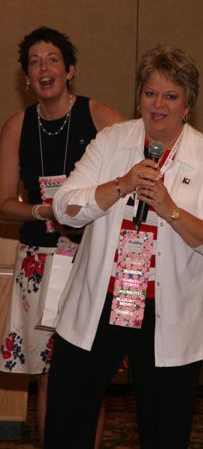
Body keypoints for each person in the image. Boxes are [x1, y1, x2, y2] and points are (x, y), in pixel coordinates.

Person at [44, 44, 203, 449]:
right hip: (100, 299)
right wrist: (121, 186)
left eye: (171, 96)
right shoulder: (111, 142)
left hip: (166, 312)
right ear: (139, 97)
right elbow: (65, 208)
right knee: (67, 422)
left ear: (188, 104)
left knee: (165, 429)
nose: (158, 105)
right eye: (150, 93)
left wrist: (170, 209)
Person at [0, 26, 124, 446]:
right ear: (27, 78)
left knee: (89, 369)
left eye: (52, 59)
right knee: (48, 373)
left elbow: (137, 178)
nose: (43, 68)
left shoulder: (100, 116)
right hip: (39, 261)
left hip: (90, 257)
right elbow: (2, 203)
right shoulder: (17, 125)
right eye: (34, 62)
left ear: (69, 70)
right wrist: (43, 210)